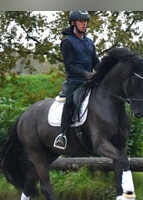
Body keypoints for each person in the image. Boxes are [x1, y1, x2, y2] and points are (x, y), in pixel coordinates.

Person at [53, 10, 100, 150]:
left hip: (90, 81)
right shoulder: (67, 42)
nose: (84, 24)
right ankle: (62, 135)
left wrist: (106, 70)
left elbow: (96, 63)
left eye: (85, 21)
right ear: (73, 23)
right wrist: (85, 74)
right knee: (71, 102)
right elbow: (69, 66)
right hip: (74, 82)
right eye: (81, 21)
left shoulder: (89, 42)